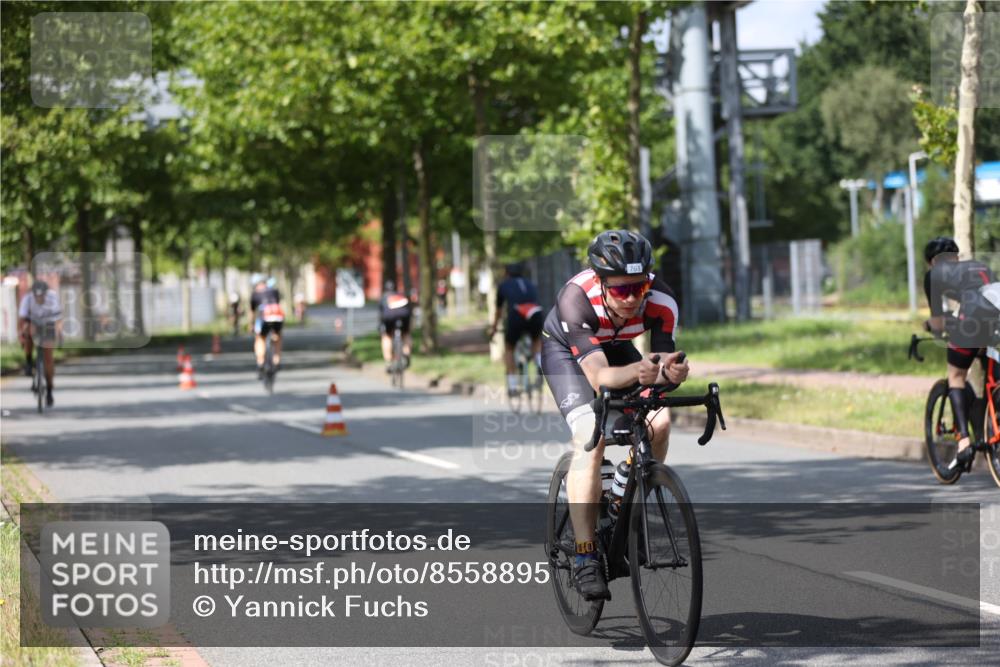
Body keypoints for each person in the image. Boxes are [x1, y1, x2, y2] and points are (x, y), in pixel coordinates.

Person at [540, 229, 688, 601]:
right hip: (568, 354)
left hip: (617, 348)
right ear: (601, 282)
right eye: (621, 290)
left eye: (638, 288)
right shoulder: (577, 299)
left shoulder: (662, 300)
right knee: (591, 434)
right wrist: (642, 372)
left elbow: (659, 363)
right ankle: (585, 555)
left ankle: (625, 487)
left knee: (659, 421)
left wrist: (671, 373)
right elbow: (601, 378)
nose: (632, 298)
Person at [923, 236, 999, 472]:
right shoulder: (979, 266)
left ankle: (964, 442)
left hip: (974, 317)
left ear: (931, 263)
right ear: (956, 257)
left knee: (956, 376)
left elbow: (938, 320)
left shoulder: (933, 276)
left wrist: (934, 331)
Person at [487, 262, 544, 396]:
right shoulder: (530, 283)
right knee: (536, 341)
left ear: (506, 273)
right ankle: (539, 363)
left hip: (517, 315)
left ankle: (512, 387)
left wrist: (494, 329)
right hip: (535, 313)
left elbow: (498, 312)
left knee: (509, 349)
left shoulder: (503, 285)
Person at [18, 280, 63, 407]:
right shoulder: (27, 299)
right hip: (33, 322)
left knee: (48, 358)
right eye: (36, 296)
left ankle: (49, 390)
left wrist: (59, 334)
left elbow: (58, 320)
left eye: (41, 295)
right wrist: (21, 335)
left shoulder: (52, 298)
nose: (39, 298)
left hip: (48, 324)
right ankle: (28, 361)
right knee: (27, 329)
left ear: (45, 293)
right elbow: (21, 319)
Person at [249, 274, 284, 377]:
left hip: (263, 317)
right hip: (277, 316)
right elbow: (277, 304)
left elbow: (252, 311)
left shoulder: (255, 294)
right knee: (278, 337)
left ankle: (260, 363)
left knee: (260, 338)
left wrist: (251, 324)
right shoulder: (274, 291)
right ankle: (276, 360)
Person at [379, 279, 413, 371]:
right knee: (406, 334)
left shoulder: (384, 297)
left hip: (389, 318)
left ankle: (389, 361)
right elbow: (409, 309)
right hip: (404, 316)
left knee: (387, 336)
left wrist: (381, 328)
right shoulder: (400, 295)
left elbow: (381, 314)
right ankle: (407, 354)